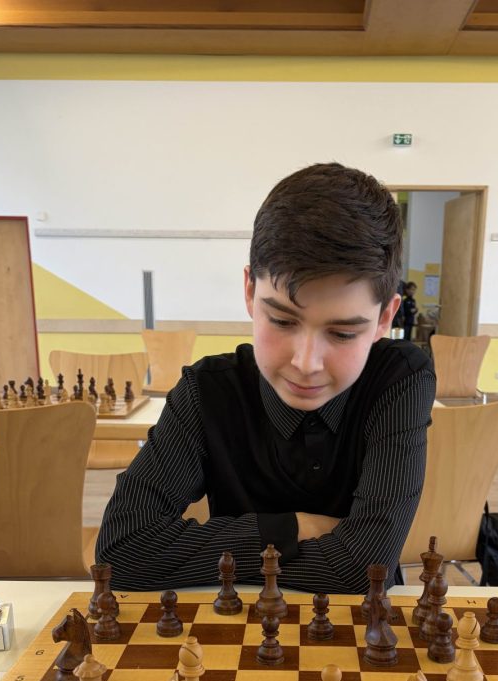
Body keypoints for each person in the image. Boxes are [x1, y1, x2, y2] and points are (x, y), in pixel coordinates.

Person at [96, 162, 436, 594]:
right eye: (282, 320)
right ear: (249, 292)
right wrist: (293, 528)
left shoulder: (400, 378)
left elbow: (360, 572)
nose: (306, 363)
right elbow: (123, 552)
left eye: (342, 333)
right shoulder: (207, 390)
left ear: (385, 317)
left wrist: (216, 552)